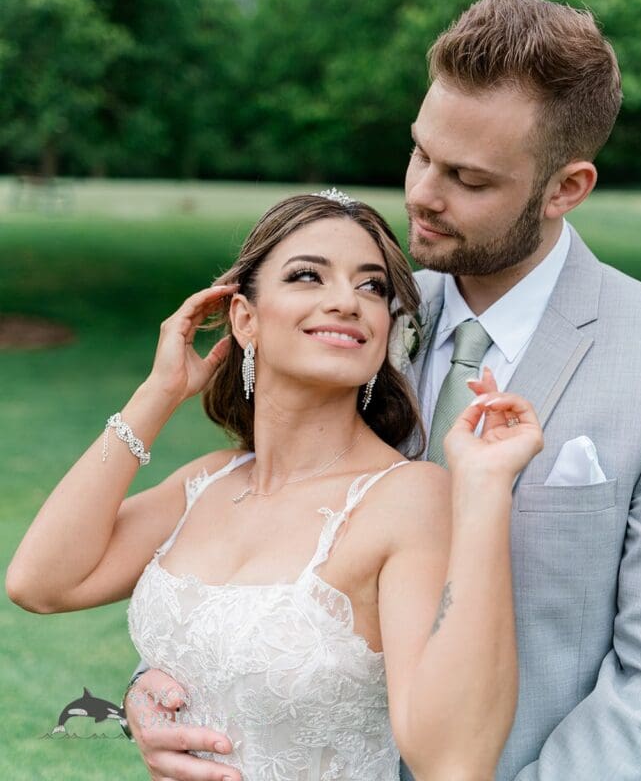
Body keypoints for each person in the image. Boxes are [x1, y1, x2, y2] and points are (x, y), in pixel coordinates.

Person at [123, 0, 641, 781]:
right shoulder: (355, 326)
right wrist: (163, 692)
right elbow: (252, 561)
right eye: (421, 153)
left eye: (468, 178)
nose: (422, 192)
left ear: (566, 188)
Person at [6, 191, 544, 781]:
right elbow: (41, 582)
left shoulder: (407, 499)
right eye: (308, 276)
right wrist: (157, 394)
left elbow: (452, 761)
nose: (346, 301)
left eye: (371, 287)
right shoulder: (209, 480)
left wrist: (486, 491)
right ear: (244, 318)